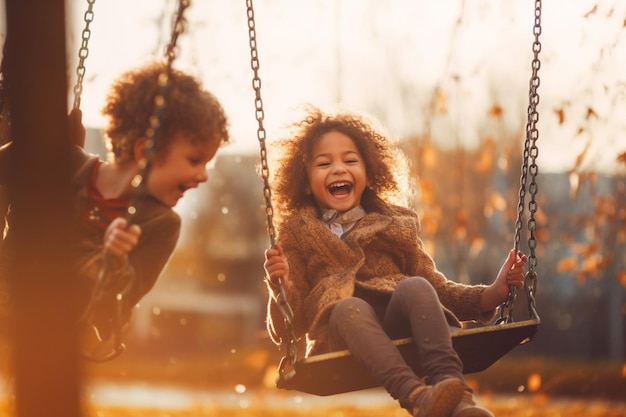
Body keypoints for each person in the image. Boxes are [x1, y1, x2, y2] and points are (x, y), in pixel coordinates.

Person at [263, 106, 527, 417]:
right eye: (324, 163)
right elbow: (291, 326)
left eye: (350, 160)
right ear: (305, 182)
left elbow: (436, 288)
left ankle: (454, 394)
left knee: (415, 286)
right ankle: (415, 396)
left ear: (369, 175)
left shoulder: (395, 224)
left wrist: (491, 294)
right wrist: (279, 287)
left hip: (397, 323)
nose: (338, 169)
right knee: (349, 307)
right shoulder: (298, 234)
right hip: (341, 334)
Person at [0, 61, 230, 358]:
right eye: (195, 160)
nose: (204, 175)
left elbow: (118, 305)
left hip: (65, 320)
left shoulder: (160, 223)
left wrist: (115, 261)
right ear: (145, 151)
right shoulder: (64, 161)